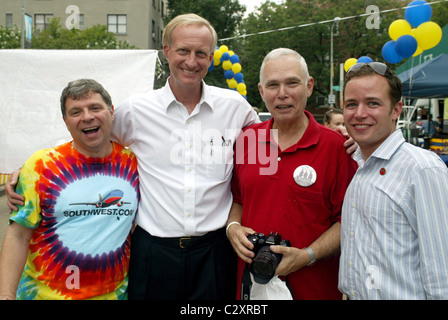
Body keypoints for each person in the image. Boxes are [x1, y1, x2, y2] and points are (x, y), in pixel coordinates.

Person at [226, 48, 357, 300]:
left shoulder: (336, 148)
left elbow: (348, 221)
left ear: (308, 86)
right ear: (262, 91)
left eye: (292, 83)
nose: (282, 93)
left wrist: (307, 255)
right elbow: (239, 199)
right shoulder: (248, 140)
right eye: (273, 85)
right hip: (252, 287)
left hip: (313, 288)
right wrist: (232, 227)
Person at [0, 79, 139, 300]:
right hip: (43, 295)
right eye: (76, 112)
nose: (87, 117)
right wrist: (5, 295)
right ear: (66, 121)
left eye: (95, 107)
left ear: (111, 112)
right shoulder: (41, 166)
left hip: (115, 295)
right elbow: (18, 236)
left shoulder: (134, 164)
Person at [338, 62, 448, 299]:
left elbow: (442, 279)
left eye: (373, 103)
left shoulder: (422, 169)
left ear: (396, 110)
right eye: (351, 104)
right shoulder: (360, 164)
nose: (359, 113)